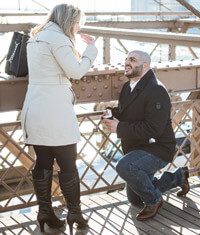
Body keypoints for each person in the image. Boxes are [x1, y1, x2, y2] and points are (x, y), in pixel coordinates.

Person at [21, 4, 97, 234]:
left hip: (34, 107)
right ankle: (76, 214)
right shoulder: (59, 39)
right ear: (68, 20)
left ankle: (45, 213)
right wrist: (91, 50)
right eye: (77, 22)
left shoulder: (36, 38)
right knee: (67, 165)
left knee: (42, 163)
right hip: (56, 111)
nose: (78, 26)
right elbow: (75, 71)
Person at [102, 50, 189, 221]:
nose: (127, 63)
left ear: (145, 66)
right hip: (137, 147)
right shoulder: (128, 87)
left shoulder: (156, 90)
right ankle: (178, 176)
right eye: (126, 59)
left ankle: (154, 200)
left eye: (132, 60)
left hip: (158, 147)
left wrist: (119, 128)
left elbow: (153, 129)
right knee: (134, 199)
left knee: (124, 166)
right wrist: (112, 114)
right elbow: (128, 113)